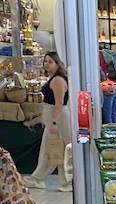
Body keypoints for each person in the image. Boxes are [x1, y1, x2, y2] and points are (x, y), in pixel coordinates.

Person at [27, 52, 69, 190]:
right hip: (54, 117)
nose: (46, 64)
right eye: (45, 61)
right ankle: (40, 177)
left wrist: (55, 122)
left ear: (57, 63)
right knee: (53, 147)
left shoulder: (58, 80)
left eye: (50, 61)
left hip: (58, 118)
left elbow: (59, 102)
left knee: (55, 147)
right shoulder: (54, 78)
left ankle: (40, 178)